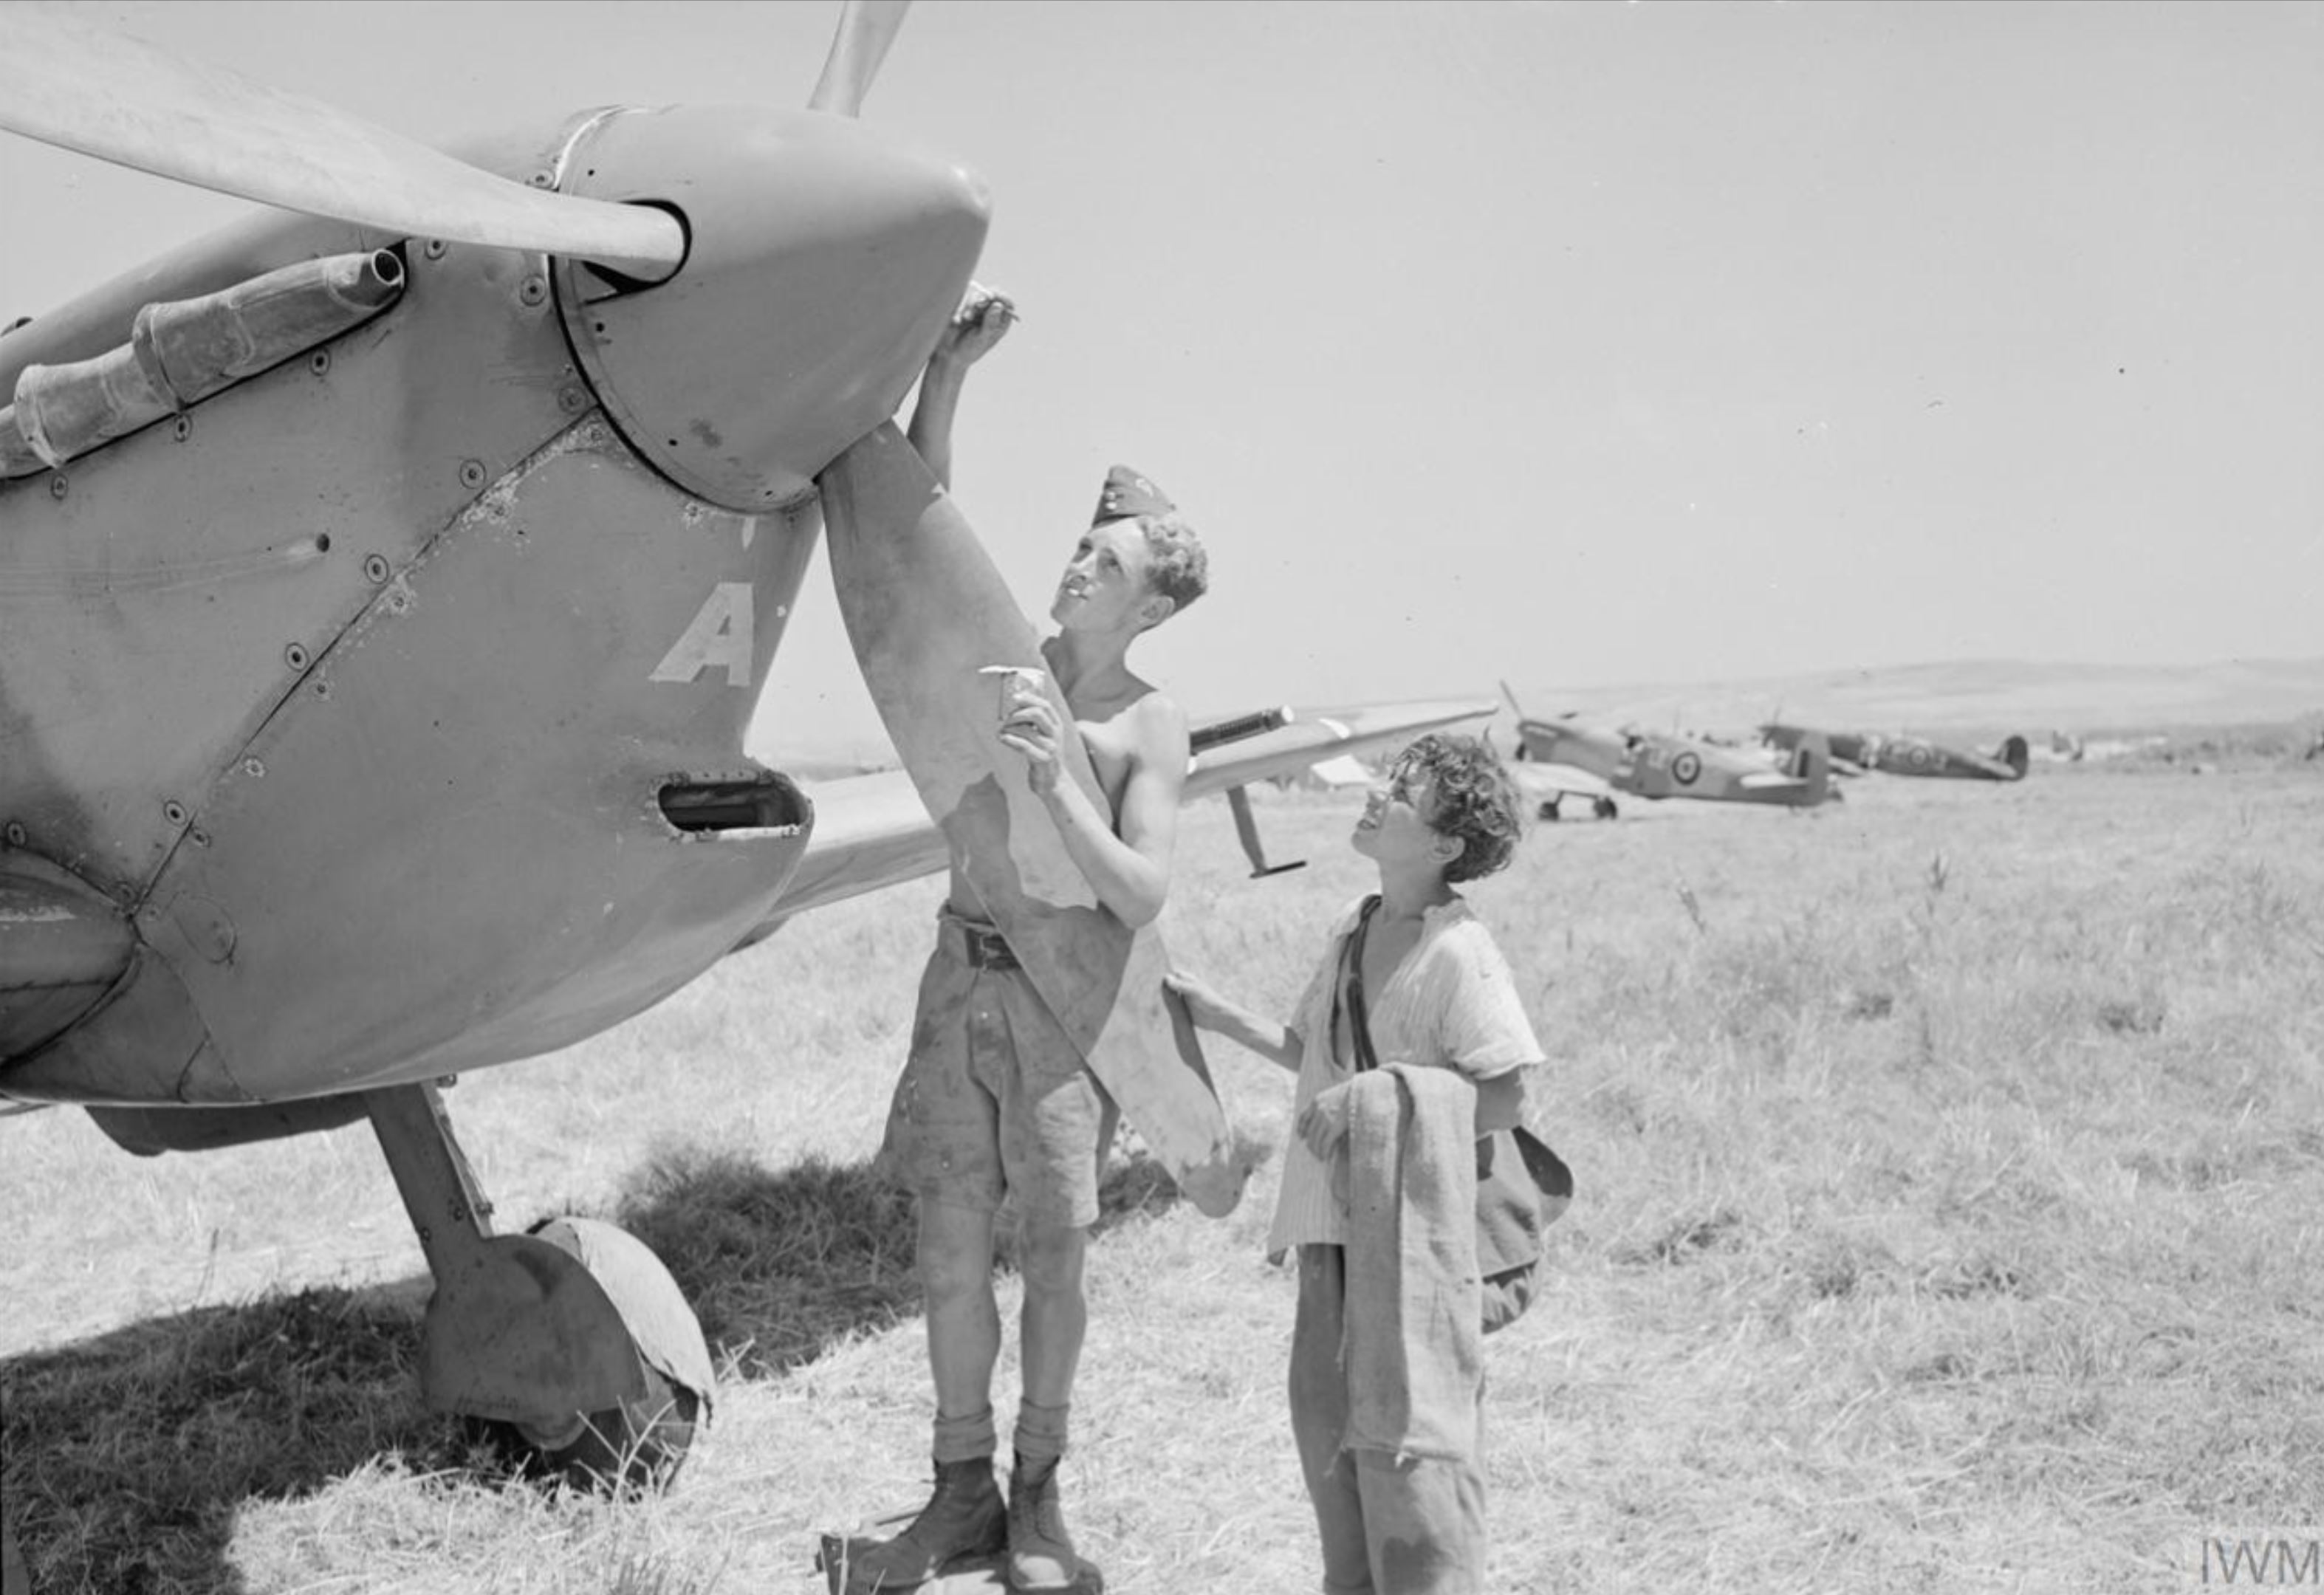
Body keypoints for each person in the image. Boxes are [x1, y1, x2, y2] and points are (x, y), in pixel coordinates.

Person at [850, 285, 1210, 1594]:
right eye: (1076, 545)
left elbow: (1138, 894)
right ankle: (956, 1501)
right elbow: (914, 539)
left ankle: (1039, 1508)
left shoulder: (1144, 726)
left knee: (1053, 1262)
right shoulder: (1013, 657)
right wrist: (945, 376)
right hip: (962, 993)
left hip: (1067, 1017)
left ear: (1149, 605)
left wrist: (1058, 779)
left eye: (1103, 563)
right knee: (947, 1257)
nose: (1073, 566)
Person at [1166, 733, 1543, 1595]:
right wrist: (1215, 1016)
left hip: (1413, 1255)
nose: (1379, 794)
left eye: (1404, 792)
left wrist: (1378, 1106)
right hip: (1330, 1237)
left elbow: (1503, 1099)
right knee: (1334, 1460)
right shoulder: (1356, 925)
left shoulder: (1460, 952)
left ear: (1445, 846)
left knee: (1415, 1478)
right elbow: (1312, 1054)